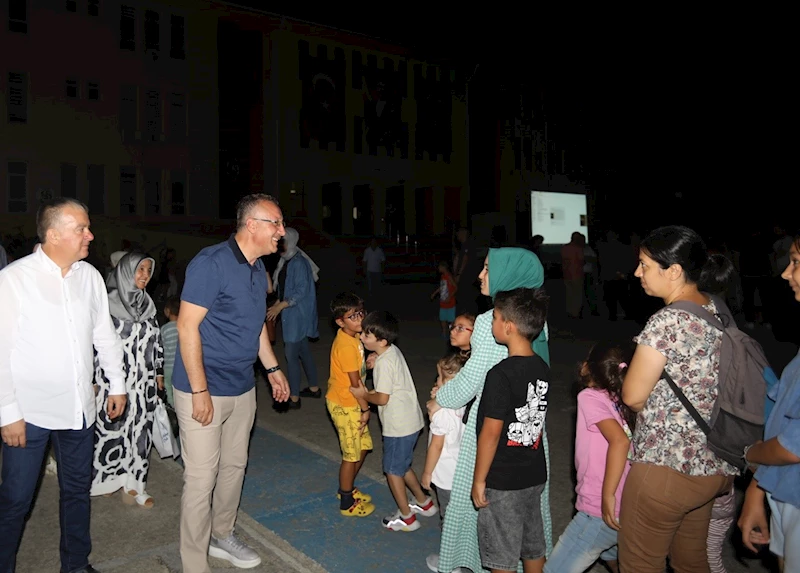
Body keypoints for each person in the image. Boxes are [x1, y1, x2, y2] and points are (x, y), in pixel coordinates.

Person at [0, 197, 127, 573]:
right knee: (15, 501)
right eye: (81, 229)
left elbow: (104, 334)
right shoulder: (14, 279)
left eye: (88, 228)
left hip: (79, 411)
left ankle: (75, 565)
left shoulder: (88, 276)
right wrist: (8, 413)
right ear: (54, 235)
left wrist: (116, 383)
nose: (90, 235)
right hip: (30, 414)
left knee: (76, 494)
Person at [172, 193, 290, 573]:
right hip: (202, 387)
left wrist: (272, 370)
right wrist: (200, 391)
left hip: (242, 387)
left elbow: (255, 327)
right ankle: (193, 562)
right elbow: (186, 327)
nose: (282, 232)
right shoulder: (212, 263)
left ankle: (222, 534)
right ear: (251, 224)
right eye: (276, 223)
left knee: (234, 466)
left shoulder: (258, 270)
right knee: (201, 477)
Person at [619, 225, 737, 572]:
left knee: (640, 564)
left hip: (666, 467)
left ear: (672, 271)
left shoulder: (667, 321)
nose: (637, 272)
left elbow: (633, 395)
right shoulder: (716, 310)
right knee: (691, 563)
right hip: (712, 464)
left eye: (644, 265)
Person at [427, 247, 552, 573]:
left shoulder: (487, 321)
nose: (480, 275)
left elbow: (470, 381)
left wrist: (441, 396)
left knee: (483, 510)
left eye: (487, 269)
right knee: (528, 522)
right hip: (530, 433)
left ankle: (468, 563)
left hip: (494, 436)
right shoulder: (535, 319)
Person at [472, 287, 550, 573]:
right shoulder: (541, 367)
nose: (492, 324)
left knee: (501, 555)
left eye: (494, 318)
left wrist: (480, 479)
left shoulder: (500, 375)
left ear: (508, 326)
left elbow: (491, 434)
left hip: (504, 480)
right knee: (532, 544)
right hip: (534, 474)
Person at [545, 340, 636, 573]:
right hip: (627, 503)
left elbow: (620, 440)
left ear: (588, 367)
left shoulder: (590, 397)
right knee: (615, 556)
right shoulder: (622, 398)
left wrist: (607, 495)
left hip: (599, 507)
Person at [738, 232, 800, 573]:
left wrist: (750, 455)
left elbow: (793, 445)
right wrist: (756, 492)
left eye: (796, 263)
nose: (785, 274)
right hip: (784, 489)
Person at [91, 252, 164, 508]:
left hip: (143, 383)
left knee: (140, 432)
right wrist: (93, 379)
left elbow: (157, 342)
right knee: (113, 432)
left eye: (147, 270)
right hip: (113, 383)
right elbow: (93, 345)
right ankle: (109, 480)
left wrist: (159, 372)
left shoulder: (148, 305)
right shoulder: (106, 304)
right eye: (139, 270)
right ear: (125, 271)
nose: (144, 276)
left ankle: (136, 484)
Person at [350, 311, 435, 530]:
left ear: (382, 341)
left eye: (367, 336)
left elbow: (381, 398)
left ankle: (406, 517)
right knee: (402, 464)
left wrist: (363, 394)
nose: (361, 338)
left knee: (392, 470)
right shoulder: (391, 351)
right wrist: (375, 357)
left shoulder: (384, 364)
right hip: (411, 422)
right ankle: (424, 503)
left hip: (398, 426)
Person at [327, 292, 375, 517]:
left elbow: (355, 369)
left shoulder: (353, 337)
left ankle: (347, 487)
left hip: (352, 402)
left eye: (360, 313)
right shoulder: (345, 344)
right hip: (346, 404)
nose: (359, 319)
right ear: (340, 321)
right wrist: (365, 409)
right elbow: (355, 385)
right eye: (352, 316)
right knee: (351, 455)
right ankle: (346, 500)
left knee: (363, 447)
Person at [267, 227, 320, 408]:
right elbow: (285, 287)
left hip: (297, 315)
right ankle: (313, 388)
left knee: (291, 355)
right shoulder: (287, 260)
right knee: (303, 351)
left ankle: (294, 397)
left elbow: (300, 292)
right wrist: (278, 303)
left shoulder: (298, 262)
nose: (280, 243)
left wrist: (281, 305)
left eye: (283, 240)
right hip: (292, 314)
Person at [422, 352, 468, 529]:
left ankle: (449, 555)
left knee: (448, 517)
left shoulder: (441, 413)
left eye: (440, 378)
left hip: (446, 474)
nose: (437, 382)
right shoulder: (467, 403)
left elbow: (436, 445)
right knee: (461, 514)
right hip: (463, 471)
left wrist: (427, 472)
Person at [453, 228, 481, 316]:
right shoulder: (463, 246)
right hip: (466, 277)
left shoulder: (467, 245)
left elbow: (465, 259)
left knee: (465, 298)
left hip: (467, 277)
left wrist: (459, 274)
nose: (458, 236)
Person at [431, 260, 458, 343]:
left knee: (451, 319)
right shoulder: (443, 276)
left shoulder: (448, 276)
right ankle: (444, 333)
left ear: (443, 267)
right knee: (442, 318)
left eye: (440, 267)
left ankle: (451, 334)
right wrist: (435, 293)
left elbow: (455, 287)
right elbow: (442, 287)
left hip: (450, 302)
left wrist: (450, 296)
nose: (438, 269)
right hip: (443, 301)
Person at [161, 296, 181, 407]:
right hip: (181, 365)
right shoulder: (183, 327)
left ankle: (172, 407)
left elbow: (161, 347)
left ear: (167, 311)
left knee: (168, 387)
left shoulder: (164, 329)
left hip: (168, 366)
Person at [561, 232, 585, 319]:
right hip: (577, 274)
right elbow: (581, 261)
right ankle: (576, 313)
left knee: (569, 294)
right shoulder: (578, 248)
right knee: (577, 294)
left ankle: (570, 311)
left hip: (566, 274)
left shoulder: (564, 248)